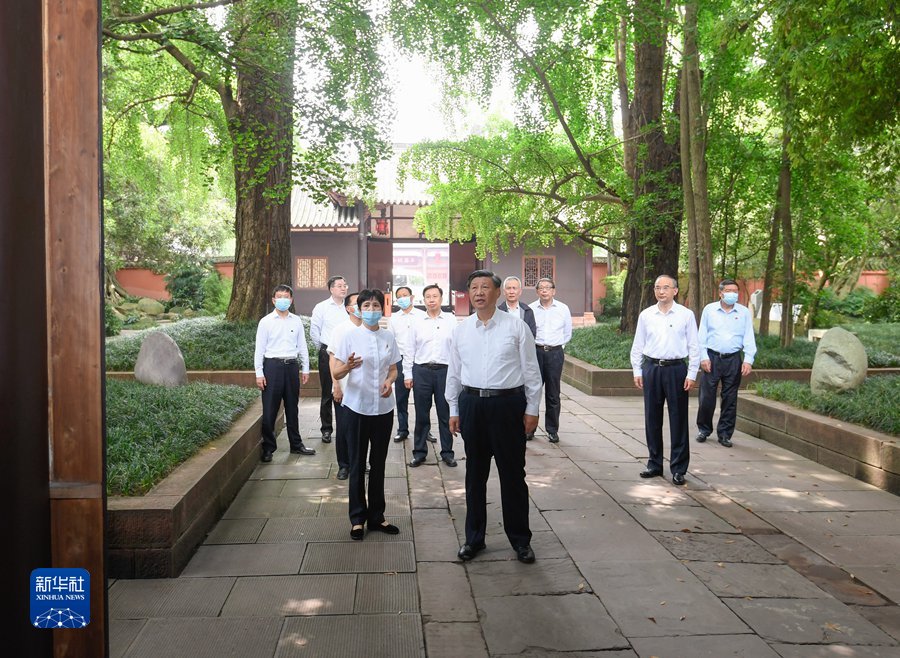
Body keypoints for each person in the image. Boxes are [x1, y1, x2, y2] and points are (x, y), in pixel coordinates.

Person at [446, 270, 542, 564]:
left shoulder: (516, 327)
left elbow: (531, 370)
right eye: (474, 287)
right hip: (472, 405)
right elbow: (454, 372)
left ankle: (521, 540)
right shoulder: (461, 330)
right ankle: (474, 539)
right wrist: (454, 409)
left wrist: (532, 408)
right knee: (475, 475)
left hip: (507, 406)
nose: (479, 292)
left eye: (485, 287)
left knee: (513, 474)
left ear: (497, 292)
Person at [330, 289, 401, 541]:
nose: (371, 310)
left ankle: (377, 516)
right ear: (359, 310)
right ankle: (358, 519)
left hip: (383, 408)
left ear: (382, 309)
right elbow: (336, 373)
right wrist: (347, 367)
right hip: (356, 408)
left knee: (379, 463)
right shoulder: (349, 336)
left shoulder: (388, 337)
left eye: (376, 305)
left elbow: (393, 369)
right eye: (367, 306)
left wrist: (389, 381)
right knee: (358, 463)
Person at [629, 275, 700, 486]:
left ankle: (678, 468)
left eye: (666, 287)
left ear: (675, 291)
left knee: (678, 419)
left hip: (676, 370)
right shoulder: (646, 315)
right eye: (657, 287)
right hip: (651, 369)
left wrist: (692, 374)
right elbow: (638, 344)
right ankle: (654, 463)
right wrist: (637, 370)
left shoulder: (686, 315)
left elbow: (694, 346)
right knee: (652, 418)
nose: (661, 291)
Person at [254, 284, 315, 462]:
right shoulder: (265, 322)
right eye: (279, 296)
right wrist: (259, 373)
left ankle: (296, 444)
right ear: (273, 300)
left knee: (292, 408)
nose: (283, 299)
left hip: (291, 367)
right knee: (269, 410)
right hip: (272, 367)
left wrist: (305, 368)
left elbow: (302, 345)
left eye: (286, 296)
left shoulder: (296, 321)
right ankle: (268, 448)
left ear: (291, 300)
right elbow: (259, 349)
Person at [696, 279, 757, 448]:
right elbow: (701, 335)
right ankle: (704, 429)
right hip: (712, 358)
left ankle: (725, 434)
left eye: (735, 291)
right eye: (729, 291)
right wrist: (703, 357)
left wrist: (748, 360)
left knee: (730, 398)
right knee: (706, 397)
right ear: (721, 293)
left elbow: (749, 336)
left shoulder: (743, 312)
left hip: (733, 359)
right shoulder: (709, 310)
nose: (732, 294)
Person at [405, 284, 457, 468]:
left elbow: (457, 349)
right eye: (428, 297)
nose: (432, 300)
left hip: (445, 372)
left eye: (435, 296)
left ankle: (447, 452)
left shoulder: (451, 320)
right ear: (424, 300)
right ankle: (419, 452)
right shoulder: (417, 321)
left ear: (441, 299)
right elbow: (409, 349)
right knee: (421, 414)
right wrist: (407, 374)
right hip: (422, 372)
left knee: (445, 413)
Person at [529, 277, 572, 443]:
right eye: (541, 288)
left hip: (555, 353)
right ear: (537, 291)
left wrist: (558, 347)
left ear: (553, 291)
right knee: (533, 392)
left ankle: (552, 430)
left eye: (548, 287)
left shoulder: (563, 308)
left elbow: (567, 333)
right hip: (536, 352)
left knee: (553, 393)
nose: (544, 290)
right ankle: (529, 429)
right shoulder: (531, 309)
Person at [326, 292, 361, 480]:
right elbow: (333, 358)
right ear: (348, 308)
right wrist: (336, 385)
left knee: (362, 429)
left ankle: (359, 462)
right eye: (357, 303)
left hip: (363, 390)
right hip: (344, 387)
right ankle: (344, 465)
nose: (362, 306)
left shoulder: (369, 329)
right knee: (344, 428)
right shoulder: (341, 329)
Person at [310, 275, 349, 443]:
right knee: (327, 392)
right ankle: (326, 429)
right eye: (339, 285)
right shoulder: (322, 307)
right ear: (331, 289)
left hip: (347, 354)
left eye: (345, 285)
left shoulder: (349, 307)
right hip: (327, 352)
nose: (343, 288)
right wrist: (324, 349)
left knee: (347, 390)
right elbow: (314, 332)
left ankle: (345, 426)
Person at [389, 286, 426, 442]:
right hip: (400, 359)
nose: (402, 298)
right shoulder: (393, 318)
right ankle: (403, 429)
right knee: (401, 398)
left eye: (405, 295)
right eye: (399, 296)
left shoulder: (422, 316)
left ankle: (424, 430)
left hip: (419, 360)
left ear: (412, 297)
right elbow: (390, 341)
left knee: (422, 399)